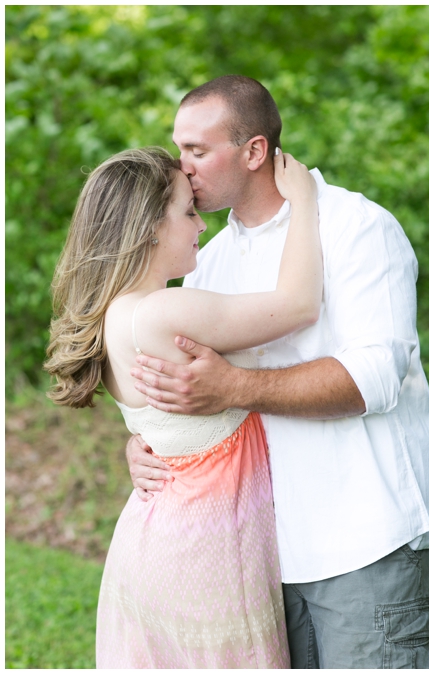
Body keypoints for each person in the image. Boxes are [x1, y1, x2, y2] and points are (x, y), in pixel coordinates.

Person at [123, 75, 429, 669]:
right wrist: (146, 444)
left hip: (359, 539)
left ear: (253, 151)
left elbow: (373, 378)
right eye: (178, 149)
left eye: (197, 150)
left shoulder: (356, 226)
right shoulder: (207, 258)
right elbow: (189, 388)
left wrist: (237, 387)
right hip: (256, 551)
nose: (181, 166)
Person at [44, 146, 323, 667]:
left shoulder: (117, 316)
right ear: (150, 226)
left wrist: (137, 445)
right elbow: (300, 304)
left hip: (164, 537)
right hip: (204, 549)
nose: (200, 224)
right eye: (188, 211)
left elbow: (170, 429)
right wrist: (304, 201)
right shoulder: (164, 311)